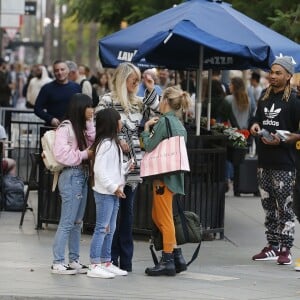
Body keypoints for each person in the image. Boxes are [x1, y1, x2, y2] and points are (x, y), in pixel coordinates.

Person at [96, 62, 160, 272]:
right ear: (123, 79)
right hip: (113, 163)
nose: (136, 82)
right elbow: (98, 127)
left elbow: (156, 111)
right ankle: (110, 259)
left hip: (132, 164)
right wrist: (115, 140)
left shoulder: (137, 102)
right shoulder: (107, 100)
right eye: (133, 79)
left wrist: (150, 88)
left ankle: (127, 260)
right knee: (111, 213)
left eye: (138, 79)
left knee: (127, 213)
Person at [250, 56, 300, 265]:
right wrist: (254, 126)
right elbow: (257, 120)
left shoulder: (295, 100)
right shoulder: (263, 96)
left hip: (285, 164)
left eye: (278, 73)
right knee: (268, 206)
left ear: (288, 76)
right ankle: (272, 246)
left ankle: (286, 249)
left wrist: (284, 139)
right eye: (272, 72)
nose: (273, 76)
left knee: (285, 208)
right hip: (264, 161)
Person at [140, 85, 191, 276]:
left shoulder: (163, 122)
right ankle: (177, 256)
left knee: (164, 218)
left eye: (161, 99)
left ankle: (168, 259)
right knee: (159, 215)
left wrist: (146, 129)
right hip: (174, 175)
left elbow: (149, 145)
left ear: (165, 102)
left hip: (163, 177)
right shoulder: (179, 124)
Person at [51, 93, 95, 275]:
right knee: (67, 221)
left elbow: (94, 138)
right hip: (71, 176)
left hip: (82, 176)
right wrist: (84, 155)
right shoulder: (66, 128)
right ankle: (58, 261)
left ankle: (74, 260)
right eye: (89, 106)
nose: (92, 110)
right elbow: (61, 155)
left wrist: (90, 122)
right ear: (80, 107)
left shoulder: (82, 127)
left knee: (77, 222)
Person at [87, 108, 133, 278]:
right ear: (112, 123)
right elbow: (100, 170)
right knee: (102, 228)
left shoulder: (113, 143)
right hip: (106, 193)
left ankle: (106, 261)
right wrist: (114, 187)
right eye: (119, 120)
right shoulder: (106, 144)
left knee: (110, 228)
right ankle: (94, 264)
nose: (121, 122)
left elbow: (112, 168)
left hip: (113, 192)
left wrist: (126, 168)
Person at [34, 60, 81, 127]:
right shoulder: (47, 88)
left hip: (73, 129)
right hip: (52, 129)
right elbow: (37, 108)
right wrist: (50, 119)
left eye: (62, 69)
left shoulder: (77, 87)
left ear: (68, 70)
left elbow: (81, 107)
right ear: (54, 73)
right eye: (56, 70)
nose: (60, 72)